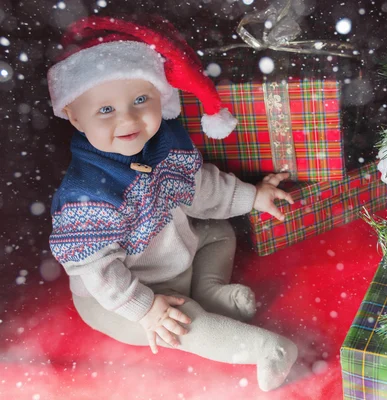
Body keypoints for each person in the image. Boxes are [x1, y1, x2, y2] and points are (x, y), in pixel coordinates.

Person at [47, 15, 298, 392]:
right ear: (73, 114)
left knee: (218, 231)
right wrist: (145, 307)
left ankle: (209, 287)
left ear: (159, 97)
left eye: (140, 100)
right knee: (178, 323)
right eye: (105, 110)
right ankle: (265, 348)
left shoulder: (164, 147)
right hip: (119, 296)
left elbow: (201, 189)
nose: (129, 118)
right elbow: (98, 271)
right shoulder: (87, 196)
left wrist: (252, 195)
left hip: (178, 254)